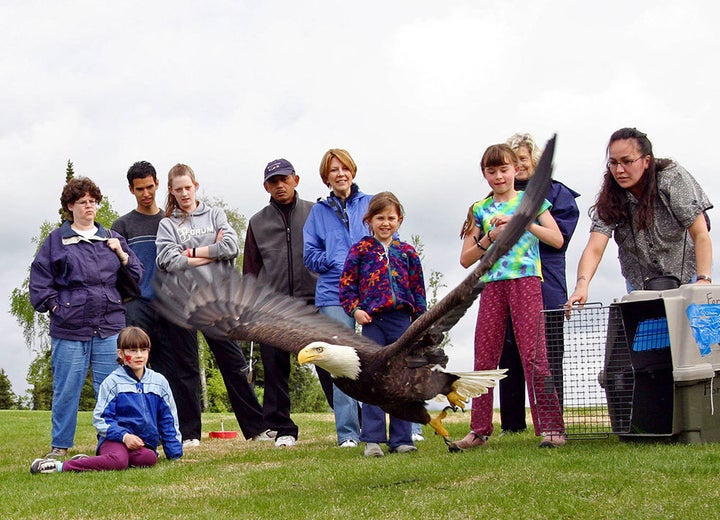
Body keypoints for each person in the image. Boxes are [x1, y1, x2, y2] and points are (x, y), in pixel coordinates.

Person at [452, 144, 566, 450]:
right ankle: (478, 431)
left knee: (534, 355)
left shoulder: (533, 203)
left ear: (516, 170)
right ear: (484, 174)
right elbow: (466, 259)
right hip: (492, 284)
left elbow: (557, 239)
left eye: (504, 169)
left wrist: (523, 223)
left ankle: (552, 429)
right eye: (492, 171)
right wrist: (490, 238)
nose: (499, 176)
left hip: (526, 282)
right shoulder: (479, 209)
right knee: (484, 357)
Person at [155, 163, 271, 442]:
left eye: (188, 187)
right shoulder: (167, 223)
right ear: (171, 190)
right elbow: (168, 261)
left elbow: (230, 246)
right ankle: (190, 433)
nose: (184, 193)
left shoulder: (215, 214)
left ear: (195, 186)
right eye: (178, 189)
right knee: (186, 368)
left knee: (234, 362)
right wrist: (212, 253)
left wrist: (191, 251)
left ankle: (256, 429)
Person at [29, 177, 143, 459]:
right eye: (83, 202)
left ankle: (111, 443)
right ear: (71, 206)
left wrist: (123, 256)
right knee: (67, 389)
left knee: (113, 390)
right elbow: (39, 282)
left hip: (109, 325)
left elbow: (137, 277)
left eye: (93, 201)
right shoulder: (56, 240)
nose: (89, 206)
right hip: (69, 327)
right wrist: (57, 307)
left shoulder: (112, 238)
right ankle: (60, 445)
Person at [567, 127, 713, 307]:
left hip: (687, 279)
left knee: (688, 334)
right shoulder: (609, 195)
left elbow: (700, 233)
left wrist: (703, 280)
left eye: (627, 161)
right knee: (650, 335)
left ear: (646, 161)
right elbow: (594, 248)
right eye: (613, 163)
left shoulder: (672, 178)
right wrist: (582, 286)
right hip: (640, 284)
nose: (619, 170)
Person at [112, 161, 203, 448]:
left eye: (150, 187)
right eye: (140, 189)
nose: (146, 193)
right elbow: (116, 269)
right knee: (139, 371)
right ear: (131, 190)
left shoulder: (173, 220)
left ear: (157, 185)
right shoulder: (122, 225)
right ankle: (143, 434)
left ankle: (189, 433)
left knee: (185, 367)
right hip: (139, 305)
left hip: (176, 304)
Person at [497, 133, 580, 435]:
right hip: (507, 282)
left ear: (534, 160)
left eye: (523, 159)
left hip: (547, 285)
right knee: (509, 354)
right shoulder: (499, 197)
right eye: (512, 160)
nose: (518, 166)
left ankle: (551, 422)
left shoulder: (557, 194)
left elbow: (559, 241)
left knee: (548, 356)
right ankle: (512, 425)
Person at [339, 192, 427, 457]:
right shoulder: (361, 251)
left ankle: (402, 438)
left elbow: (418, 288)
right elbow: (346, 286)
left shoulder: (408, 252)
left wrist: (420, 320)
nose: (386, 223)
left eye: (391, 218)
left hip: (402, 323)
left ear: (399, 220)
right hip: (373, 323)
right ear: (369, 220)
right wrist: (355, 310)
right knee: (373, 380)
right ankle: (373, 439)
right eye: (380, 218)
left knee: (402, 380)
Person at [30, 326, 183, 474]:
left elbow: (168, 420)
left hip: (142, 444)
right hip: (114, 439)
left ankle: (93, 461)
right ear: (121, 354)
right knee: (119, 461)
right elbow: (100, 419)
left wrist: (175, 455)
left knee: (148, 458)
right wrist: (124, 436)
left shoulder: (159, 382)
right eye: (132, 350)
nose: (139, 355)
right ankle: (58, 466)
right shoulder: (112, 382)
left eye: (143, 350)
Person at [242, 158, 318, 448]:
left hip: (313, 300)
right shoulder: (257, 222)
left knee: (329, 364)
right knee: (275, 369)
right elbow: (250, 269)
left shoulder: (316, 212)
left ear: (296, 180)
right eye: (273, 181)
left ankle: (348, 422)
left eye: (284, 179)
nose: (280, 185)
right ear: (266, 186)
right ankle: (282, 427)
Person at [303, 148, 371, 447]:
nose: (340, 174)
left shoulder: (369, 203)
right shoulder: (318, 213)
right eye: (333, 170)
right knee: (342, 362)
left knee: (376, 359)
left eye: (344, 168)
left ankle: (382, 428)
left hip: (371, 290)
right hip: (333, 292)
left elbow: (387, 237)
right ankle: (348, 434)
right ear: (326, 177)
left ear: (352, 171)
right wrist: (334, 260)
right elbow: (310, 255)